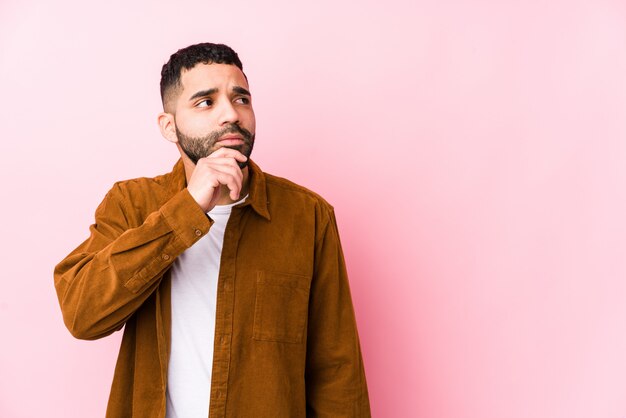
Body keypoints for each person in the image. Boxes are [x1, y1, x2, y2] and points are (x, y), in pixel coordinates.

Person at [54, 42, 371, 418]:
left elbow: (337, 372)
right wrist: (188, 209)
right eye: (206, 102)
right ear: (169, 127)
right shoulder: (131, 203)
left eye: (241, 99)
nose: (230, 115)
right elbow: (82, 315)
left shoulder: (308, 216)